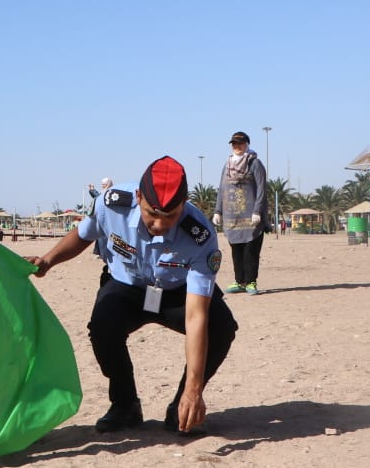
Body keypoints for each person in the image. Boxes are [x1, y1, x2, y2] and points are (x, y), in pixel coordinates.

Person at [25, 156, 238, 435]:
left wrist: (194, 390)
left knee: (220, 327)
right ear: (139, 197)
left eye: (171, 216)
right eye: (152, 214)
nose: (160, 225)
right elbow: (83, 234)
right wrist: (48, 260)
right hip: (127, 287)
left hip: (177, 292)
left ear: (184, 204)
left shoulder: (200, 235)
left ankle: (182, 406)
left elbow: (196, 314)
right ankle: (125, 405)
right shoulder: (111, 205)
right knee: (103, 327)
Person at [212, 131, 271, 295]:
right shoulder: (227, 165)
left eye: (240, 143)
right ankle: (239, 281)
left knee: (250, 251)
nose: (237, 146)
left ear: (247, 144)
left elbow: (261, 189)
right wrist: (218, 211)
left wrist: (258, 210)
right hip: (232, 218)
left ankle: (251, 282)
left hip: (251, 216)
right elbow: (222, 188)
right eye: (234, 144)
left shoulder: (255, 163)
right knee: (236, 251)